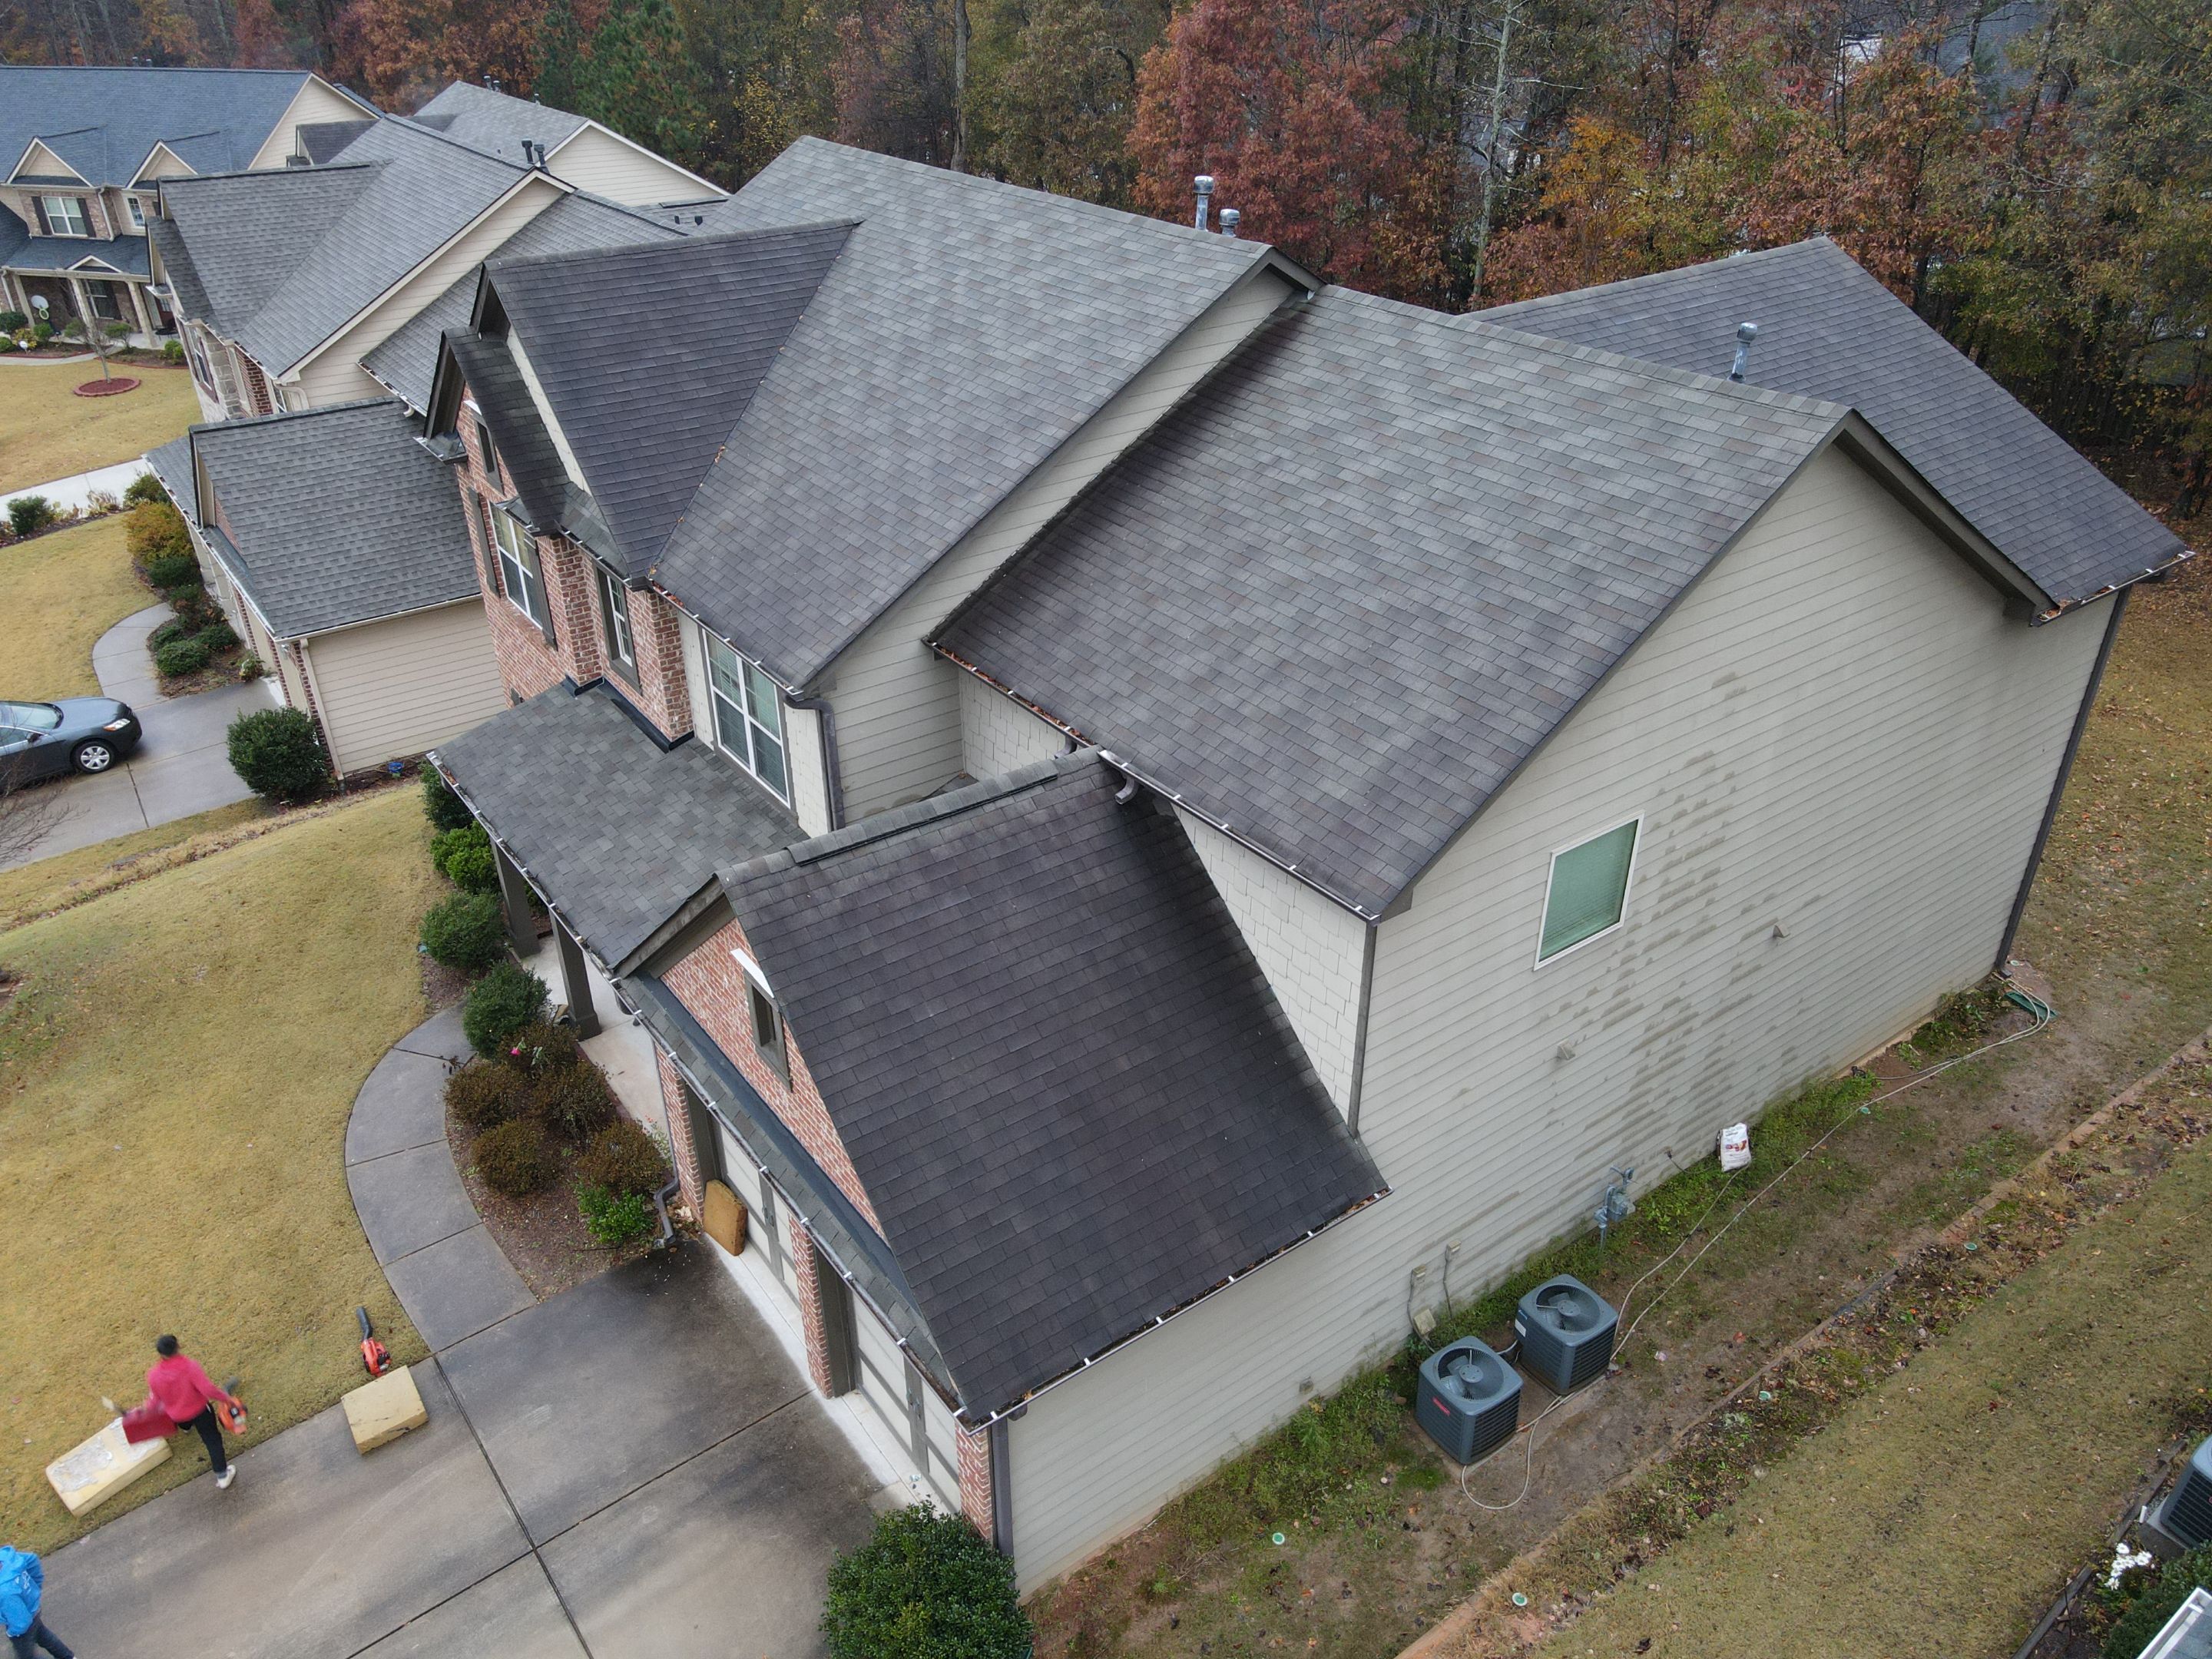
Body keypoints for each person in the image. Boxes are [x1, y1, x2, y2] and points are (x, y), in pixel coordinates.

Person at [146, 1334, 238, 1489]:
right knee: (212, 1440)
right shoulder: (189, 1367)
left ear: (161, 1354)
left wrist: (144, 1412)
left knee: (184, 1421)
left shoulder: (154, 1375)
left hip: (177, 1415)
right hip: (199, 1411)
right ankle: (222, 1475)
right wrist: (226, 1398)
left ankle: (187, 1428)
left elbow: (155, 1401)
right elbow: (207, 1389)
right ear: (178, 1347)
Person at [0, 1544, 72, 1659]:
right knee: (45, 1638)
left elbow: (22, 1623)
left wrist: (12, 1633)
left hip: (23, 1628)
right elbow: (31, 1559)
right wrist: (35, 1586)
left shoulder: (5, 1592)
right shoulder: (6, 1556)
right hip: (33, 1609)